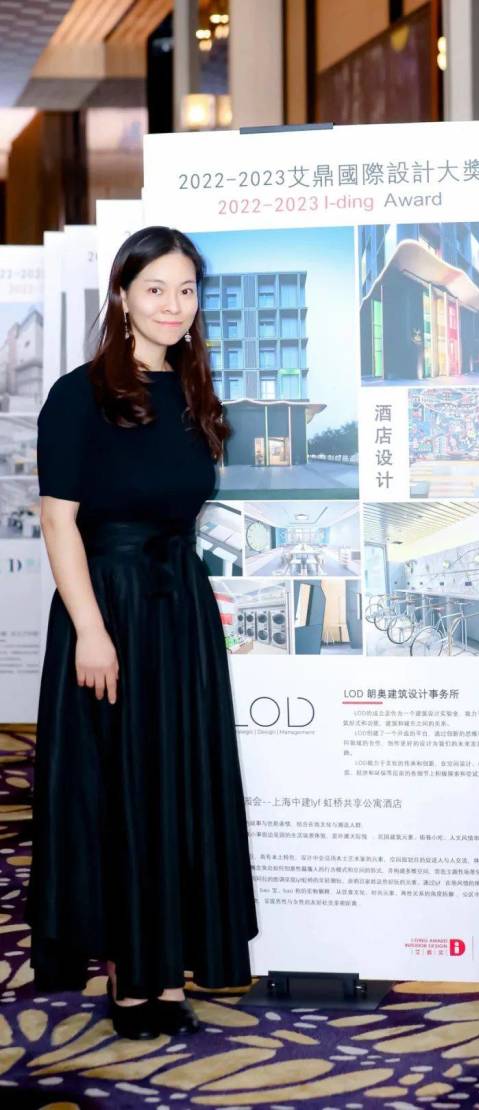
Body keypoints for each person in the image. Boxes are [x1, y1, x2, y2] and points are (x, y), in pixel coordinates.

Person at [27, 227, 258, 1040]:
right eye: (155, 288)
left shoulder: (193, 393)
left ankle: (163, 970)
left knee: (173, 788)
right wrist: (91, 630)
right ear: (123, 295)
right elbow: (58, 520)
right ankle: (130, 978)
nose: (173, 304)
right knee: (118, 790)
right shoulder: (78, 394)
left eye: (186, 290)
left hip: (177, 610)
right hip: (109, 608)